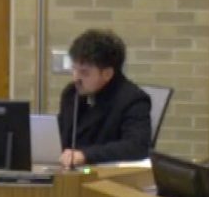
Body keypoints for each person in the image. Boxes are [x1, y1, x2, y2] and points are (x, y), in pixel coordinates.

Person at [55, 29, 151, 169]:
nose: (76, 78)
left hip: (107, 175)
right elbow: (62, 136)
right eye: (74, 69)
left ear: (107, 74)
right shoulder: (71, 94)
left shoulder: (133, 99)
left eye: (84, 72)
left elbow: (136, 146)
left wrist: (85, 155)